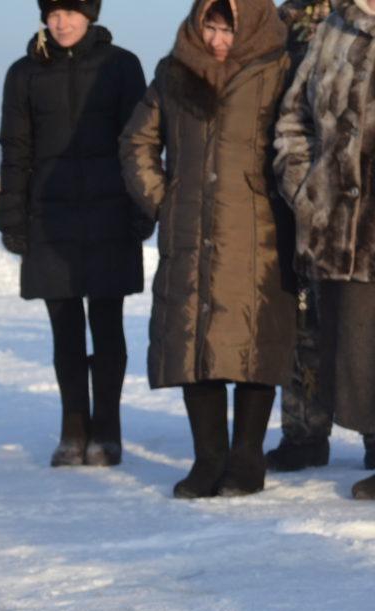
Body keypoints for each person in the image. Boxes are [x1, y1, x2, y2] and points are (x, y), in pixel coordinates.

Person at [120, 0, 295, 499]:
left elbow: (297, 140)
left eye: (227, 29)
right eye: (210, 27)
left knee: (254, 343)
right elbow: (137, 140)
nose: (218, 40)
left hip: (257, 232)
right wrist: (164, 197)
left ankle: (246, 459)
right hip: (190, 230)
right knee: (193, 342)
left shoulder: (279, 68)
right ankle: (208, 458)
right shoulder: (174, 73)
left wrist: (279, 201)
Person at [0, 0, 150, 468]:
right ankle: (73, 426)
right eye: (54, 12)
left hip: (109, 214)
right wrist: (12, 216)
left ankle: (107, 427)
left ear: (91, 15)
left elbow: (139, 141)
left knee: (107, 326)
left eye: (71, 12)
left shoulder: (122, 66)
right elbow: (15, 149)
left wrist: (141, 205)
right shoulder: (23, 74)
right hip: (51, 218)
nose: (61, 22)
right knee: (64, 329)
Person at [276, 0, 375, 500]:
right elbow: (294, 121)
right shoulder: (331, 32)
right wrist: (306, 191)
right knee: (355, 348)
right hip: (341, 226)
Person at [266, 0, 340, 472]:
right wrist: (297, 186)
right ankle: (304, 432)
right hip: (292, 195)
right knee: (300, 319)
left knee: (363, 322)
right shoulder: (277, 23)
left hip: (359, 202)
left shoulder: (363, 17)